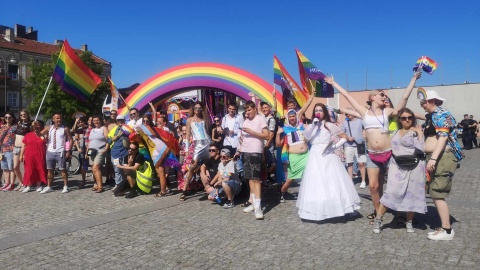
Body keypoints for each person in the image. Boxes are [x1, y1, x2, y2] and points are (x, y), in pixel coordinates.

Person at [326, 72, 421, 223]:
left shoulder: (387, 111)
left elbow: (404, 98)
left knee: (396, 184)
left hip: (389, 153)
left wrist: (413, 79)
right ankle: (379, 215)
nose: (384, 97)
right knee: (374, 187)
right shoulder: (364, 113)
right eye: (381, 94)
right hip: (372, 155)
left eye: (384, 95)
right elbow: (347, 96)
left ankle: (402, 213)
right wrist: (333, 83)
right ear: (372, 97)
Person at [296, 103, 360, 221]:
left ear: (324, 112)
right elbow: (306, 138)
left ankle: (337, 207)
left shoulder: (329, 125)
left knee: (331, 180)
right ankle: (317, 209)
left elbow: (344, 137)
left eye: (320, 110)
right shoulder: (311, 126)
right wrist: (313, 126)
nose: (318, 112)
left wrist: (335, 146)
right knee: (315, 181)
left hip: (327, 154)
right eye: (316, 110)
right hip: (314, 155)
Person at [372, 108, 427, 234]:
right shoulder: (396, 131)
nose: (407, 120)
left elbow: (421, 149)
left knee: (411, 193)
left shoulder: (416, 131)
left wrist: (420, 134)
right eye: (404, 118)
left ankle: (409, 222)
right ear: (399, 120)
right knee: (391, 192)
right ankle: (378, 220)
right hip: (397, 166)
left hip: (415, 166)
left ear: (413, 118)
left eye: (409, 117)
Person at [420, 90, 463, 241]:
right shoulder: (433, 116)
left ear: (432, 101)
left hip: (443, 157)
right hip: (437, 157)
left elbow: (443, 137)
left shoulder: (441, 114)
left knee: (438, 193)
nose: (422, 105)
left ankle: (447, 230)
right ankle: (444, 227)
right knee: (434, 192)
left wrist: (433, 158)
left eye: (423, 102)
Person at [234, 101, 269, 220]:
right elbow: (242, 137)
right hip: (245, 151)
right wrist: (239, 150)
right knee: (249, 178)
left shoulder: (260, 119)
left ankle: (259, 207)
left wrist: (253, 132)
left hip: (255, 151)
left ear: (254, 109)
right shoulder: (245, 121)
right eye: (246, 110)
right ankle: (253, 204)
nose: (248, 112)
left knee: (256, 179)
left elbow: (267, 135)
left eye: (249, 110)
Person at [275, 109, 309, 203]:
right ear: (288, 118)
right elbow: (278, 144)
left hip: (306, 155)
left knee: (310, 174)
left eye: (293, 116)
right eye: (290, 117)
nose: (292, 118)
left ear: (296, 117)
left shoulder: (302, 126)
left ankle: (309, 193)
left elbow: (308, 138)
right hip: (294, 157)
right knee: (290, 179)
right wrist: (278, 134)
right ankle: (282, 193)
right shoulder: (285, 129)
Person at [181, 101, 211, 201]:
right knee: (192, 166)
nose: (198, 110)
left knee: (207, 165)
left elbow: (206, 133)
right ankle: (184, 189)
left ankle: (208, 187)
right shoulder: (189, 120)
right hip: (197, 144)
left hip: (206, 143)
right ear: (193, 109)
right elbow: (188, 135)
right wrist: (186, 149)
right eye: (196, 108)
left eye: (199, 108)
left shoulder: (203, 120)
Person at [40, 113, 73, 194]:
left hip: (60, 151)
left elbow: (71, 140)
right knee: (50, 170)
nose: (59, 120)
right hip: (50, 152)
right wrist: (44, 137)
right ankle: (49, 186)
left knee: (63, 170)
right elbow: (39, 134)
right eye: (57, 118)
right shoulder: (49, 128)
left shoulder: (65, 129)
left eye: (60, 118)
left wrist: (69, 151)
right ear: (53, 119)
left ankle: (65, 186)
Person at [19, 121, 47, 192]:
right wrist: (21, 155)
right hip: (29, 155)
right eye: (34, 127)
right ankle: (28, 185)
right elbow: (24, 145)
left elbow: (46, 145)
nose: (36, 128)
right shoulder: (28, 135)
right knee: (29, 170)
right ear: (32, 127)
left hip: (40, 155)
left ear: (40, 127)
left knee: (40, 169)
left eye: (38, 126)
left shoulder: (43, 136)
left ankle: (39, 185)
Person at [341, 111, 367, 188]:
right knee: (350, 163)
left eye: (348, 113)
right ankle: (350, 181)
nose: (347, 115)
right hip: (348, 145)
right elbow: (342, 133)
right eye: (346, 114)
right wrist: (347, 138)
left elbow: (366, 128)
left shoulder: (360, 121)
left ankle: (363, 181)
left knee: (361, 163)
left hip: (359, 145)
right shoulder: (345, 122)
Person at [86, 116, 109, 193]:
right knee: (93, 168)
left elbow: (108, 139)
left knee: (95, 168)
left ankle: (100, 186)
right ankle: (95, 184)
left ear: (100, 121)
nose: (96, 122)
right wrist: (87, 152)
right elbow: (90, 142)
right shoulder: (92, 130)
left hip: (100, 150)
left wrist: (106, 149)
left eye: (97, 120)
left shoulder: (104, 128)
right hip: (92, 151)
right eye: (94, 121)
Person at [107, 115, 129, 195]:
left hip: (125, 153)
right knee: (117, 170)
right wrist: (112, 139)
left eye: (122, 120)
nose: (120, 122)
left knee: (126, 170)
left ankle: (127, 185)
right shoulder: (114, 130)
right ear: (116, 121)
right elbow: (108, 141)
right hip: (115, 153)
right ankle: (118, 185)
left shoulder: (128, 129)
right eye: (119, 120)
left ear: (124, 121)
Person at [12, 110, 31, 191]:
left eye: (24, 114)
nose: (23, 116)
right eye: (21, 115)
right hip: (16, 147)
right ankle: (21, 183)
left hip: (25, 148)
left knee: (26, 168)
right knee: (15, 167)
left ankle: (27, 183)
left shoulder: (30, 125)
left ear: (27, 115)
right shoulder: (18, 124)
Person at [0, 113, 18, 191]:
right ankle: (6, 183)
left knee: (11, 168)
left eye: (9, 117)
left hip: (11, 149)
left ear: (13, 118)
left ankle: (12, 184)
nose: (7, 119)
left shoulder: (15, 127)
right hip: (3, 149)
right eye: (6, 117)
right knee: (5, 168)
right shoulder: (2, 127)